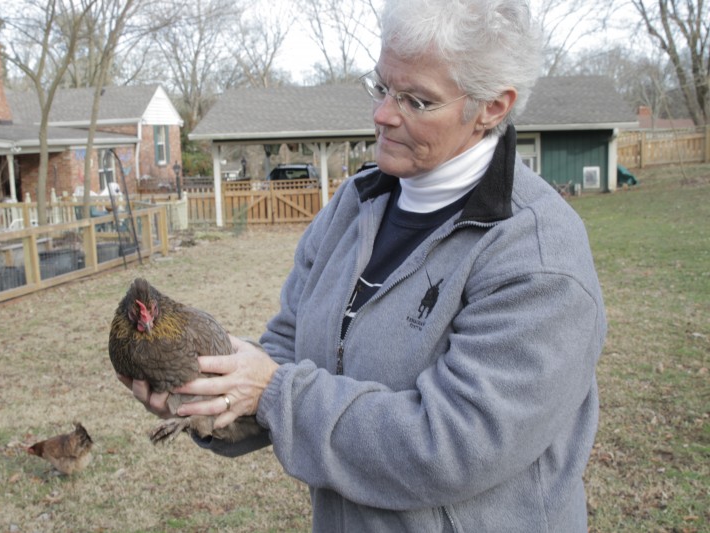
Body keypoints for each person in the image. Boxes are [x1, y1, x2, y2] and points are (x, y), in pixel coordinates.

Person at [117, 0, 607, 530]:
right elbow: (285, 351)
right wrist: (209, 399)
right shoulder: (354, 206)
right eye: (381, 87)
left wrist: (273, 392)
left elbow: (453, 445)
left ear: (492, 107)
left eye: (417, 101)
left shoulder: (535, 255)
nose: (382, 115)